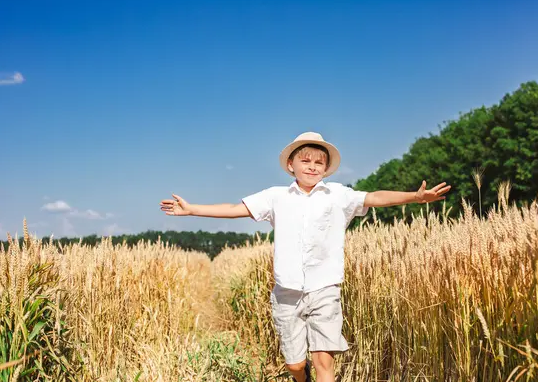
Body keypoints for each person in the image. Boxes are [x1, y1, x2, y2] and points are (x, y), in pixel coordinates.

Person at [160, 132, 451, 382]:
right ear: (291, 165)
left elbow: (374, 197)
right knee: (295, 364)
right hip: (286, 293)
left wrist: (415, 197)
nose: (312, 167)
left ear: (326, 168)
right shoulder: (276, 196)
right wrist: (192, 209)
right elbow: (236, 208)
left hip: (325, 288)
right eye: (305, 160)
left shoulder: (339, 195)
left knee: (324, 359)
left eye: (318, 162)